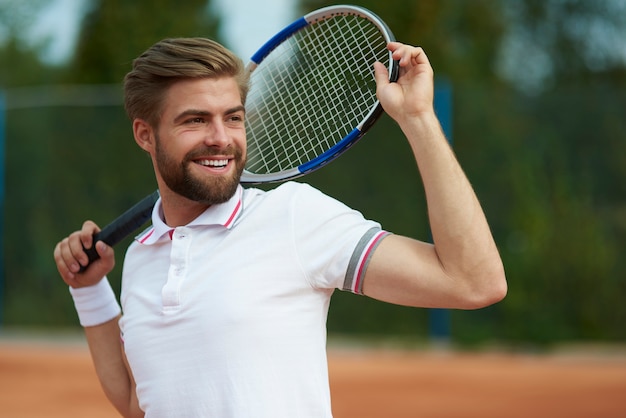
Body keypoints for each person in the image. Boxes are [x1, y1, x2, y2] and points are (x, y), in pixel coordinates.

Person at [54, 37, 506, 418]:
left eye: (233, 116)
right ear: (145, 135)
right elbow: (141, 403)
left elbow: (471, 282)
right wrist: (90, 290)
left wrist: (419, 119)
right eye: (195, 120)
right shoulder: (142, 254)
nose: (221, 137)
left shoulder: (293, 217)